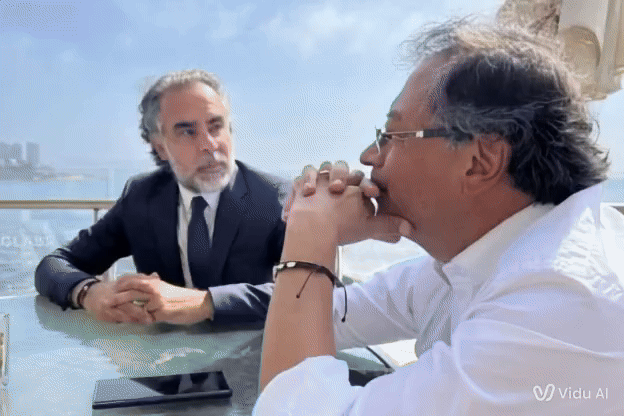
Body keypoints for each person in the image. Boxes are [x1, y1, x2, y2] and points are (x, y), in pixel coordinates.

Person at [254, 19, 624, 415]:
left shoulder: (557, 303)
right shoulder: (474, 259)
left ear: (479, 162)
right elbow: (332, 315)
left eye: (391, 136)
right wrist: (314, 234)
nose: (368, 156)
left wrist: (311, 231)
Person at [35, 69, 288, 326]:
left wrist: (205, 304)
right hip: (162, 349)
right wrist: (90, 293)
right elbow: (54, 265)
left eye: (216, 126)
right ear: (160, 147)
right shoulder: (141, 197)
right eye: (188, 132)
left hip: (252, 348)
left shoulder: (274, 198)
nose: (209, 145)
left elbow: (308, 293)